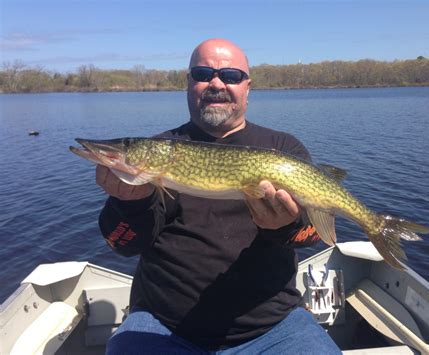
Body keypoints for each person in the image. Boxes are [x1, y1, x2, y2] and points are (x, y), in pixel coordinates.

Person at [97, 38, 341, 354]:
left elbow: (309, 236)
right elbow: (124, 245)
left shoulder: (283, 149)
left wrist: (285, 225)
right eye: (202, 73)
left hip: (275, 327)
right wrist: (129, 204)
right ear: (188, 84)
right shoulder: (162, 151)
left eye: (230, 75)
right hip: (164, 325)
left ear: (247, 87)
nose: (216, 83)